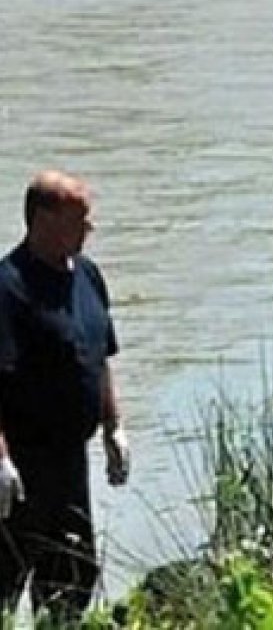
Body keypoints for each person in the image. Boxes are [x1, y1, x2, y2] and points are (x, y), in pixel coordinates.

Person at [0, 170, 130, 625]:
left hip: (71, 461)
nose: (89, 229)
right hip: (19, 467)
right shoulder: (9, 286)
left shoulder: (88, 276)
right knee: (7, 576)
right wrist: (0, 461)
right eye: (80, 220)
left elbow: (99, 357)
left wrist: (114, 428)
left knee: (72, 579)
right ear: (43, 219)